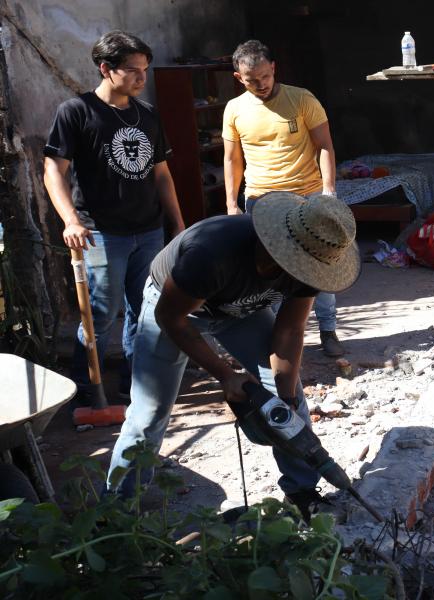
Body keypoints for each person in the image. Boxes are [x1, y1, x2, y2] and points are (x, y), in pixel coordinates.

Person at [106, 192, 361, 517]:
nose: (302, 274)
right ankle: (116, 510)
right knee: (149, 411)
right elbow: (170, 317)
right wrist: (225, 374)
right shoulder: (212, 253)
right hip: (176, 307)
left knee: (290, 400)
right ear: (276, 248)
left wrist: (284, 400)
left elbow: (290, 330)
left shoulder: (315, 260)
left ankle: (302, 491)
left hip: (242, 308)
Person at [43, 31, 184, 399]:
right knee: (101, 314)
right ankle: (86, 391)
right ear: (106, 69)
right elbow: (53, 170)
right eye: (133, 70)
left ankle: (137, 385)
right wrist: (70, 220)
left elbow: (162, 173)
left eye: (145, 70)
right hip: (101, 233)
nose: (141, 78)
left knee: (145, 311)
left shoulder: (148, 115)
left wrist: (177, 222)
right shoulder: (76, 112)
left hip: (149, 229)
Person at [222, 39, 345, 358]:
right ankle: (274, 338)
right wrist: (231, 204)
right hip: (260, 201)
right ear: (239, 78)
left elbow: (324, 146)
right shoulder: (234, 110)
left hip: (306, 195)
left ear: (273, 68)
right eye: (252, 80)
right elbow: (232, 160)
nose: (261, 84)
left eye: (265, 76)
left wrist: (328, 191)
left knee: (318, 266)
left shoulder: (302, 99)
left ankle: (328, 331)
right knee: (268, 272)